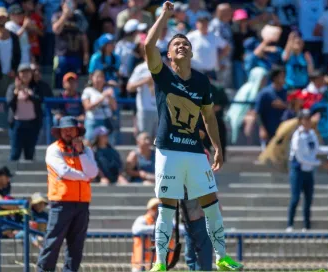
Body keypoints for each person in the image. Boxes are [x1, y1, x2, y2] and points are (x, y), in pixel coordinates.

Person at [144, 2, 243, 271]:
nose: (182, 45)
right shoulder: (163, 74)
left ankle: (221, 257)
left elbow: (209, 117)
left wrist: (218, 147)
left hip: (196, 151)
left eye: (186, 43)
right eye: (177, 43)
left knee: (211, 204)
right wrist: (165, 16)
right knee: (166, 207)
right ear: (169, 54)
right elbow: (148, 47)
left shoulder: (201, 81)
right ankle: (160, 263)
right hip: (169, 151)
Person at [37, 116, 99, 272]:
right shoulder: (54, 149)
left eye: (71, 129)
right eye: (65, 130)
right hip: (61, 203)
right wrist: (85, 177)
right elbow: (64, 171)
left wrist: (81, 153)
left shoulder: (87, 150)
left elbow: (93, 171)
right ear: (59, 132)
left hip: (82, 203)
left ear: (77, 131)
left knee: (76, 246)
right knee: (53, 243)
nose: (68, 133)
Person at [286, 109, 320, 232]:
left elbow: (316, 150)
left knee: (309, 199)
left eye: (309, 119)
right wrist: (318, 163)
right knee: (295, 198)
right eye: (305, 119)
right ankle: (290, 224)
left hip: (309, 170)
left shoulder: (312, 134)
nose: (307, 122)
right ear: (300, 121)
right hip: (298, 169)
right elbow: (300, 157)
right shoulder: (297, 136)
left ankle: (307, 225)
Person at [6, 63, 43, 161]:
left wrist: (29, 95)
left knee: (30, 153)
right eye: (22, 72)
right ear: (18, 74)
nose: (25, 75)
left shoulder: (36, 87)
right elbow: (9, 102)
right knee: (15, 153)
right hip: (17, 124)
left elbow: (40, 99)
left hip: (32, 123)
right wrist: (16, 92)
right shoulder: (12, 87)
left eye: (27, 72)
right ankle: (9, 175)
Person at [81, 70, 118, 145]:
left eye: (101, 77)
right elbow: (87, 107)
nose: (99, 79)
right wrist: (102, 97)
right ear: (92, 78)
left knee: (108, 143)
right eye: (97, 77)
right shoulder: (87, 91)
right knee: (88, 143)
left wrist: (110, 97)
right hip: (93, 120)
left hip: (106, 120)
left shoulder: (108, 90)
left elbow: (114, 107)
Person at [255, 66, 287, 148]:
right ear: (275, 78)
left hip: (283, 133)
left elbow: (292, 109)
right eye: (282, 76)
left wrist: (283, 105)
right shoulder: (265, 93)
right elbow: (257, 113)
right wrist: (262, 129)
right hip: (269, 132)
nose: (284, 78)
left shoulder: (286, 92)